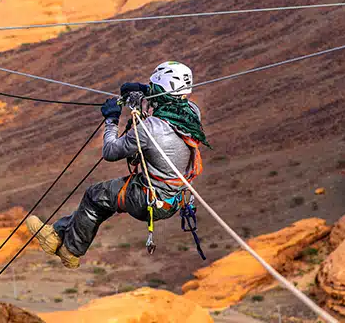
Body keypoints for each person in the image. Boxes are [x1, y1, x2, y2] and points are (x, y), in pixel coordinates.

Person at [26, 61, 210, 268]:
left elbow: (110, 151)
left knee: (95, 195)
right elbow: (163, 103)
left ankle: (71, 251)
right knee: (104, 199)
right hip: (172, 200)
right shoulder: (191, 113)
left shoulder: (149, 129)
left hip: (146, 200)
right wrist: (142, 91)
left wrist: (112, 119)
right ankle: (55, 236)